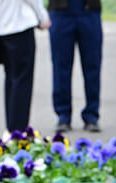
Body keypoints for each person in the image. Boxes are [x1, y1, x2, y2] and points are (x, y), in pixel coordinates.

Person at [0, 0, 51, 133]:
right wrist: (43, 17)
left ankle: (11, 126)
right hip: (18, 23)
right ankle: (18, 130)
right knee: (22, 80)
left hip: (0, 23)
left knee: (11, 78)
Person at [48, 0, 103, 133]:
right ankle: (63, 115)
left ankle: (91, 115)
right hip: (61, 12)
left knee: (92, 66)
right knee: (61, 67)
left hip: (89, 10)